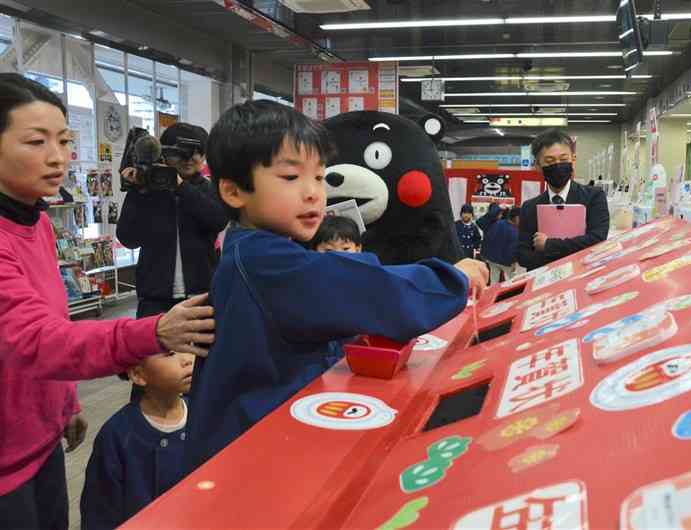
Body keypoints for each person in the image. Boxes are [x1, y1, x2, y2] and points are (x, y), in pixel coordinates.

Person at [184, 100, 488, 474]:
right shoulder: (270, 263)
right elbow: (375, 293)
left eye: (319, 176)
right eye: (291, 178)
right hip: (252, 458)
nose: (314, 192)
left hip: (256, 442)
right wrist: (454, 278)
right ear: (234, 192)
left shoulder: (255, 251)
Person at [0, 73, 214, 530]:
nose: (57, 156)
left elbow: (47, 317)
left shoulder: (34, 220)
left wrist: (64, 404)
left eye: (63, 139)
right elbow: (33, 338)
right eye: (36, 141)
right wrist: (153, 333)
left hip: (39, 443)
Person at [80, 321, 194, 530]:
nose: (187, 359)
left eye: (188, 346)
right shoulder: (117, 436)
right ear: (138, 374)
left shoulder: (203, 415)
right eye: (170, 354)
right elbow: (99, 511)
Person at [117, 122, 228, 319]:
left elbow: (217, 220)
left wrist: (180, 186)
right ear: (165, 153)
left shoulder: (209, 188)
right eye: (182, 152)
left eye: (197, 152)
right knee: (153, 350)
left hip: (201, 294)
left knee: (205, 349)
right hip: (154, 298)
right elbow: (128, 238)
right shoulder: (148, 190)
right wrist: (137, 191)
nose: (189, 158)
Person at [516, 129, 609, 270]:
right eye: (549, 161)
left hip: (582, 278)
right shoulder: (529, 207)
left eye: (564, 159)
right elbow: (523, 256)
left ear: (573, 159)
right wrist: (573, 251)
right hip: (543, 283)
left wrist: (548, 245)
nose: (557, 165)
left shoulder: (594, 196)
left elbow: (597, 239)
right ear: (537, 166)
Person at [480, 206, 520, 284]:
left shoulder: (497, 223)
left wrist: (498, 208)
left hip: (492, 259)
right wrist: (514, 262)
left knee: (494, 281)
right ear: (516, 217)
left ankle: (491, 295)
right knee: (513, 281)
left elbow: (481, 223)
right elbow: (513, 250)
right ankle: (510, 295)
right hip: (506, 262)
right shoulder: (515, 231)